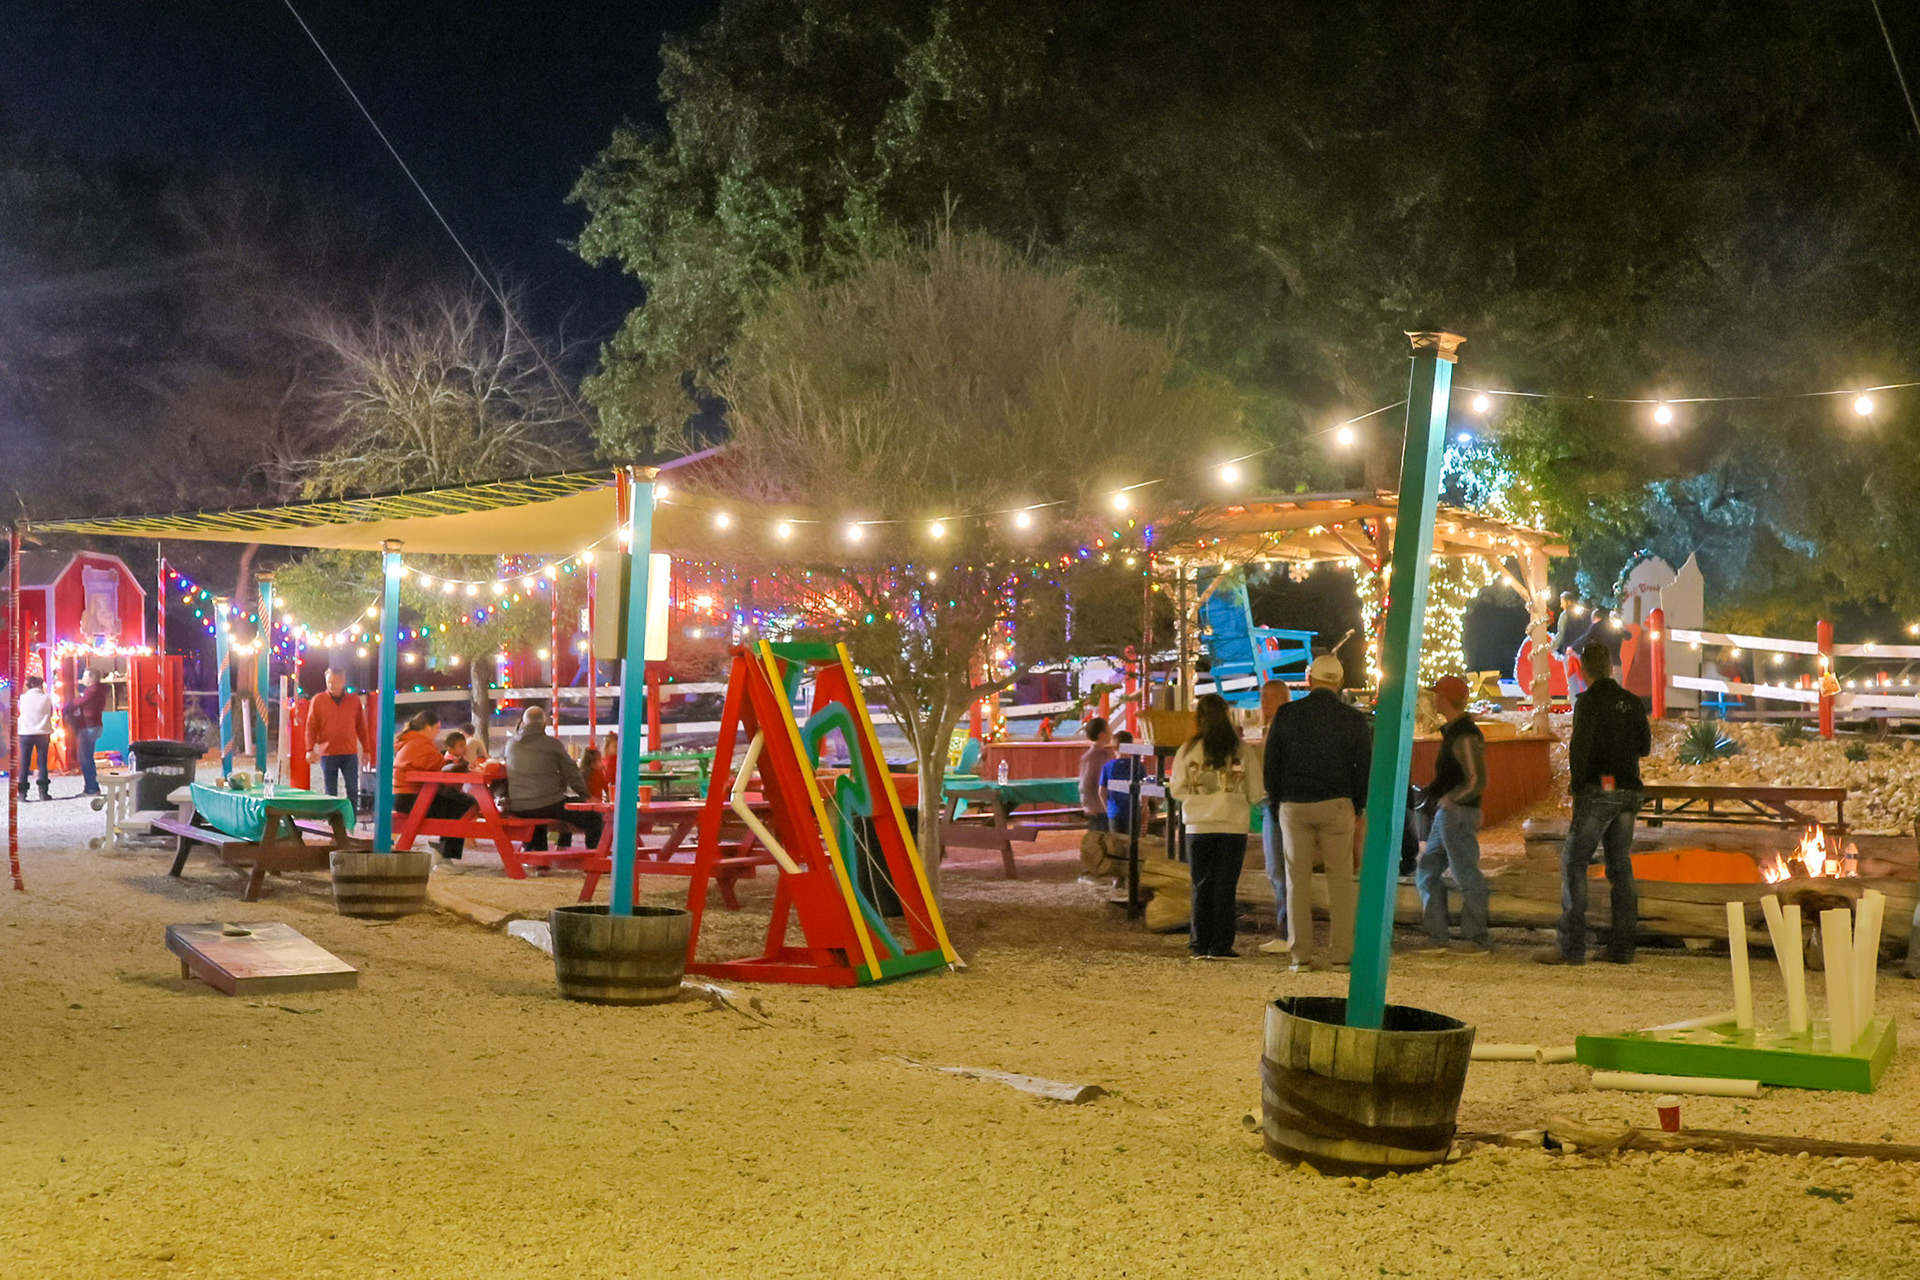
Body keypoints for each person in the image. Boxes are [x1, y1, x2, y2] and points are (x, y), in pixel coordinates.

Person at [1538, 641, 1652, 966]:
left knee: (1575, 862)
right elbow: (1645, 747)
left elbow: (1580, 748)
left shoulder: (1587, 703)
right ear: (1611, 668)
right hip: (1629, 790)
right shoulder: (1632, 703)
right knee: (1620, 867)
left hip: (1599, 790)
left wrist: (1578, 785)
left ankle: (1571, 946)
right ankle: (1623, 947)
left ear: (1584, 670)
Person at [1265, 655, 1371, 974]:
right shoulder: (1353, 719)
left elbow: (1272, 764)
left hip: (1294, 804)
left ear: (1310, 680)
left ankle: (1301, 956)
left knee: (1297, 881)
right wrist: (1357, 805)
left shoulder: (1287, 714)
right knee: (1340, 881)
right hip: (1337, 803)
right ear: (1340, 682)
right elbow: (1363, 767)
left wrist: (1277, 803)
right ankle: (1341, 956)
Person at [1168, 694, 1264, 959]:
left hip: (1198, 826)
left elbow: (1176, 789)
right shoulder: (1241, 750)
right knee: (1225, 887)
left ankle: (1199, 943)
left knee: (1201, 885)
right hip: (1233, 825)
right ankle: (1221, 944)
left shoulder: (1188, 750)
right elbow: (1256, 791)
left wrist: (1196, 797)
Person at [1413, 675, 1491, 954]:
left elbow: (1477, 780)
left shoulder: (1463, 735)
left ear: (1444, 698)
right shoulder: (1457, 732)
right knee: (1429, 868)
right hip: (1451, 812)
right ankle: (1440, 937)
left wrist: (1450, 798)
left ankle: (1475, 938)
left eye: (1437, 694)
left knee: (1464, 873)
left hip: (1456, 813)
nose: (1433, 699)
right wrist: (1433, 793)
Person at [505, 705, 603, 852]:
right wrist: (587, 796)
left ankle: (541, 854)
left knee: (550, 808)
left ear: (523, 723)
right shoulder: (552, 744)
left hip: (519, 806)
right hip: (548, 805)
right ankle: (595, 856)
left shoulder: (510, 744)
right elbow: (572, 773)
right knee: (593, 815)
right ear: (544, 725)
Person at [392, 712, 476, 866]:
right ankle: (445, 856)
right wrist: (463, 765)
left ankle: (443, 853)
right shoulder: (420, 744)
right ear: (427, 727)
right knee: (461, 804)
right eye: (437, 728)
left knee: (458, 801)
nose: (438, 732)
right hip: (410, 797)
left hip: (403, 796)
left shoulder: (410, 741)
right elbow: (441, 767)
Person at [1255, 679, 1293, 956]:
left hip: (1277, 803)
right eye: (1263, 696)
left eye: (1270, 696)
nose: (1264, 702)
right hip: (1274, 802)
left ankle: (1286, 929)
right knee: (1278, 868)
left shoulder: (1281, 729)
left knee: (1279, 868)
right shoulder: (1272, 728)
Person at [306, 668, 373, 811]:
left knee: (352, 789)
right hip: (328, 753)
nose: (331, 685)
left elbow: (361, 727)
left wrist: (367, 750)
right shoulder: (318, 700)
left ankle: (351, 817)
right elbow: (311, 727)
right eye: (328, 682)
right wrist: (309, 749)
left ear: (343, 681)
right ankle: (333, 818)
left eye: (335, 682)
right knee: (330, 790)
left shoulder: (353, 700)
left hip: (349, 752)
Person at [67, 668, 108, 796]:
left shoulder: (91, 691)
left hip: (88, 727)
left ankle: (91, 788)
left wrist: (68, 709)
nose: (83, 679)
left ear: (92, 678)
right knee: (86, 757)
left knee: (86, 759)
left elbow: (74, 703)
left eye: (85, 676)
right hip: (94, 726)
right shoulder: (98, 691)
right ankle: (91, 787)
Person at [1098, 730, 1143, 835]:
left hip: (1114, 811)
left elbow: (1101, 791)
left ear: (1114, 747)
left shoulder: (1108, 767)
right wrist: (1143, 807)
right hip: (1133, 811)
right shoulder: (1138, 766)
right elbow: (1145, 789)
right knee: (1133, 840)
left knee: (1117, 842)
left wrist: (1108, 809)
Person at [16, 675, 52, 801]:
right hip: (43, 732)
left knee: (24, 763)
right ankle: (43, 792)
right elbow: (51, 713)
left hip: (26, 732)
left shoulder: (23, 698)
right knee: (42, 763)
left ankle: (22, 793)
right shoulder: (47, 698)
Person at [1078, 716, 1115, 833]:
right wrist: (1089, 806)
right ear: (1102, 735)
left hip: (1108, 807)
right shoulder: (1090, 758)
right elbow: (1085, 785)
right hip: (1097, 809)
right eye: (1109, 730)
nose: (1111, 733)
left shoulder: (1107, 754)